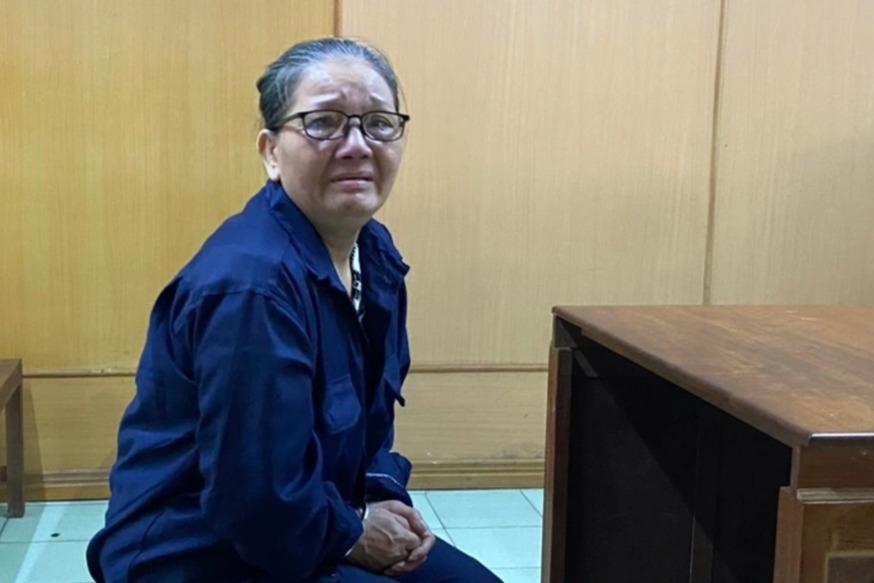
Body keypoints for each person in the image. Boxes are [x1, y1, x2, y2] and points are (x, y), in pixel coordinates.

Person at [85, 38, 502, 582]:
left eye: (379, 123)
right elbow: (252, 497)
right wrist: (355, 532)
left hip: (312, 512)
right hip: (200, 548)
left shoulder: (373, 253)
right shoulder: (251, 286)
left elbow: (371, 423)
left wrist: (380, 494)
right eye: (323, 122)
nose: (357, 145)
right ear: (271, 153)